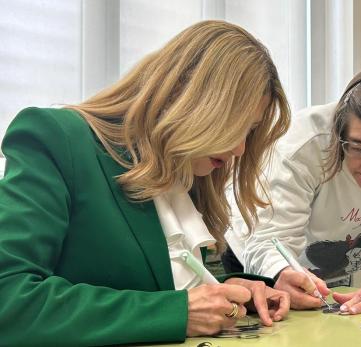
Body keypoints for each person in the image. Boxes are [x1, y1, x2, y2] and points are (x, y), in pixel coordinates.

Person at [0, 20, 293, 345]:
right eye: (235, 124)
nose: (239, 148)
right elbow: (9, 298)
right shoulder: (58, 138)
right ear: (191, 95)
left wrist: (239, 291)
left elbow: (163, 283)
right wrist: (174, 313)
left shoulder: (190, 173)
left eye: (249, 131)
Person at [224, 61, 361, 314]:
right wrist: (280, 272)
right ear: (340, 131)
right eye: (356, 147)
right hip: (260, 259)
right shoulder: (302, 144)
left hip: (338, 265)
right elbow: (269, 241)